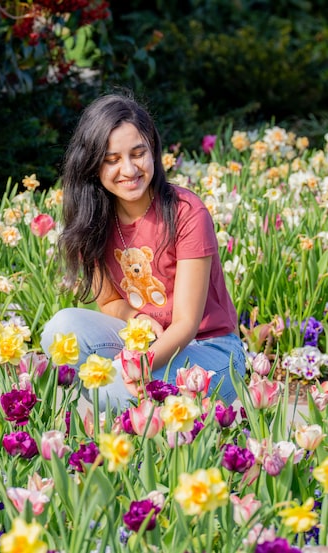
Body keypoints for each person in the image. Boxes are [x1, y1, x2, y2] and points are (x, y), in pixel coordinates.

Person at [40, 92, 246, 409]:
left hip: (210, 350)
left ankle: (139, 421)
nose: (128, 169)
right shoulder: (92, 219)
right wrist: (136, 319)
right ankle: (135, 413)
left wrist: (134, 367)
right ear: (92, 164)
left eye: (138, 154)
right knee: (60, 331)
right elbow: (109, 300)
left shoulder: (185, 212)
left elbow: (186, 324)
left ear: (153, 150)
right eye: (112, 160)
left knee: (110, 388)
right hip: (145, 341)